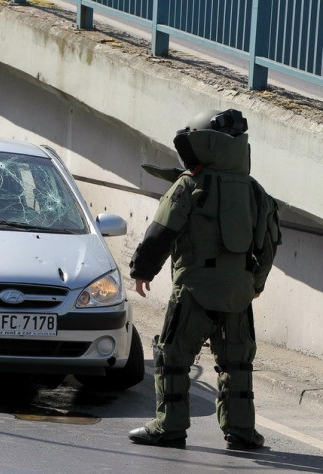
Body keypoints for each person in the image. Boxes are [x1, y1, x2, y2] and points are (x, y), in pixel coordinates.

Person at [127, 109, 281, 450]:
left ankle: (169, 427)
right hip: (238, 295)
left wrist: (142, 270)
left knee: (173, 358)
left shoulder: (190, 184)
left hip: (194, 291)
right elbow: (270, 243)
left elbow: (162, 231)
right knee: (237, 363)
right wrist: (256, 283)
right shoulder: (256, 191)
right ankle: (241, 430)